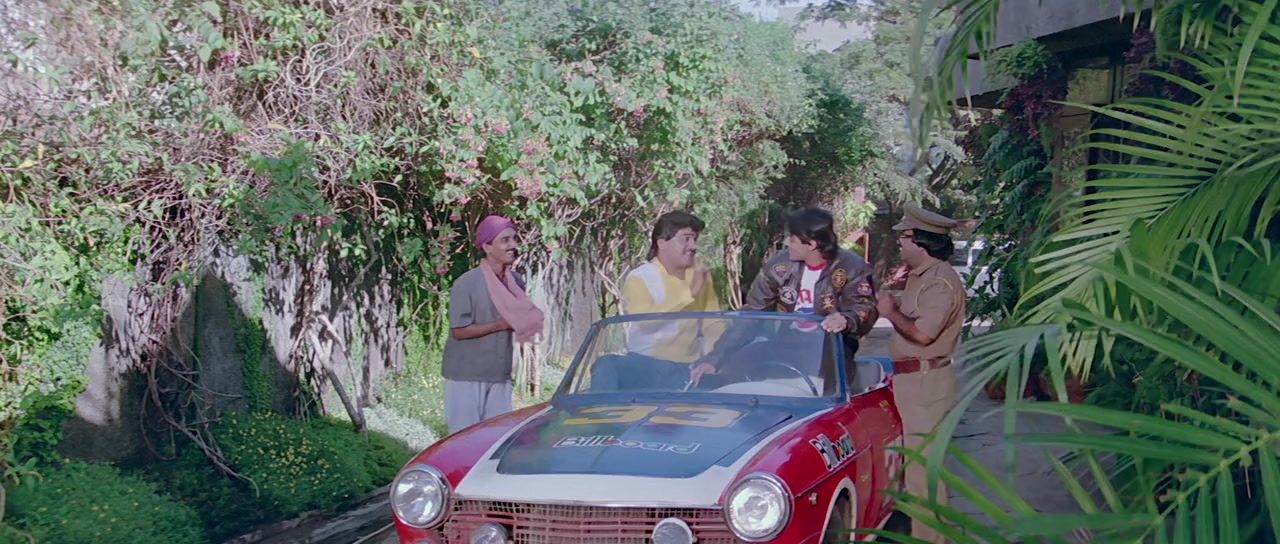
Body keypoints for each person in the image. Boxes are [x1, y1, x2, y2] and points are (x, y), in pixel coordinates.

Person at [690, 207, 879, 387]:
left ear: (812, 244)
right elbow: (752, 314)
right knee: (737, 364)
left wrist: (847, 319)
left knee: (831, 381)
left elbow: (865, 306)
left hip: (833, 347)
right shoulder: (779, 266)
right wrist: (715, 358)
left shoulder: (852, 266)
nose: (787, 243)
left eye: (792, 239)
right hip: (787, 343)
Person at [877, 203, 966, 544]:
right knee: (919, 470)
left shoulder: (940, 282)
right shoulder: (921, 277)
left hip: (926, 384)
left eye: (904, 238)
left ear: (920, 241)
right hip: (914, 382)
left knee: (923, 472)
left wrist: (891, 312)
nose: (900, 243)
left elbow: (923, 334)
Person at [589, 211, 725, 392]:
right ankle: (600, 410)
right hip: (644, 366)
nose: (693, 246)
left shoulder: (700, 276)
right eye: (686, 239)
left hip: (687, 370)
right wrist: (689, 294)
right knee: (606, 365)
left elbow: (713, 324)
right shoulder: (640, 277)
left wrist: (717, 360)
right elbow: (646, 321)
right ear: (662, 243)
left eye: (695, 239)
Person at [441, 215, 545, 434]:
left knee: (496, 437)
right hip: (466, 376)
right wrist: (502, 325)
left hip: (500, 373)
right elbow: (459, 331)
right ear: (487, 247)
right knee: (465, 438)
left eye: (514, 239)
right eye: (505, 240)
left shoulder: (516, 282)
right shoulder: (467, 283)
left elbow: (520, 318)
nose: (513, 245)